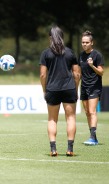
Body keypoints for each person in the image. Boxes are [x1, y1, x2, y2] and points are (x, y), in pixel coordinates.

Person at [39, 26, 80, 157]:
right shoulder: (70, 52)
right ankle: (69, 149)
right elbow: (77, 74)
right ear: (62, 37)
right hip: (69, 88)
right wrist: (76, 88)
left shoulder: (46, 53)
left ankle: (53, 149)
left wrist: (45, 90)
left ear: (50, 37)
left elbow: (43, 75)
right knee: (71, 118)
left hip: (52, 89)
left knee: (52, 119)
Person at [78, 31, 103, 145]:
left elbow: (101, 72)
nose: (85, 44)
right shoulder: (81, 55)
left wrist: (92, 65)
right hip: (84, 87)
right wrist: (75, 87)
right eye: (83, 42)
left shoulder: (97, 55)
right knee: (87, 112)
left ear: (92, 43)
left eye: (87, 42)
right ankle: (94, 137)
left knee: (92, 111)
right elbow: (79, 74)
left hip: (94, 87)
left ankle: (92, 138)